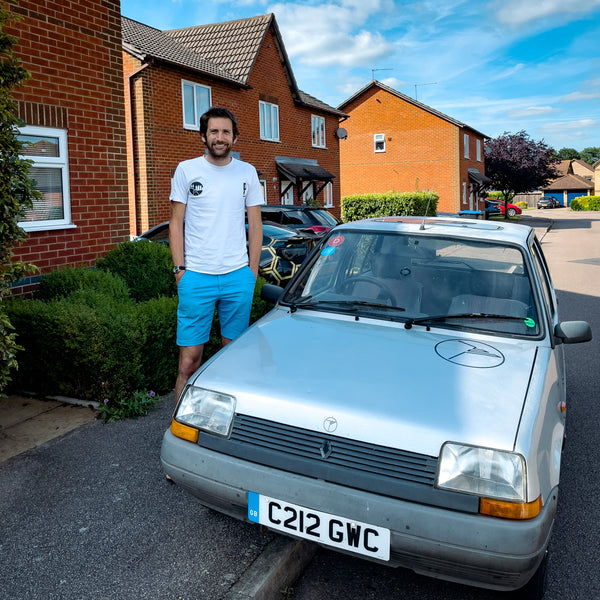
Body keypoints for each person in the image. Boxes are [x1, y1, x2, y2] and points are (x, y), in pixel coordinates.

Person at [169, 107, 263, 402]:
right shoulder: (187, 170)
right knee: (189, 362)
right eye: (214, 131)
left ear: (235, 137)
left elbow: (256, 224)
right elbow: (175, 222)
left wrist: (252, 272)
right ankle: (179, 428)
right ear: (203, 136)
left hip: (238, 277)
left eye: (225, 132)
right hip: (196, 277)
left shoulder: (247, 172)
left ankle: (226, 425)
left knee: (232, 360)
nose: (219, 137)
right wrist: (179, 270)